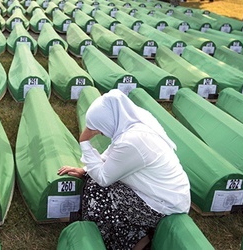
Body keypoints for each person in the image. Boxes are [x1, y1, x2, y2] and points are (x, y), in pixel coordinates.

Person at [58, 89, 191, 249]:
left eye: (98, 128)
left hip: (163, 205)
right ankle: (135, 236)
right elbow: (111, 157)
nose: (98, 132)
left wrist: (84, 141)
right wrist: (85, 170)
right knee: (93, 181)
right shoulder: (129, 125)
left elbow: (103, 178)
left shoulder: (133, 141)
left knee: (98, 193)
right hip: (162, 194)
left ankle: (123, 242)